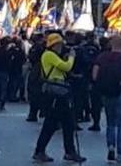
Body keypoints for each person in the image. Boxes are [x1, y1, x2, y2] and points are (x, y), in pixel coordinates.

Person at [33, 33, 86, 163]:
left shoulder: (52, 56)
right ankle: (42, 151)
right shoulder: (49, 55)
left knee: (65, 123)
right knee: (52, 123)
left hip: (59, 92)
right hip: (55, 93)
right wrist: (71, 58)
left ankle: (68, 151)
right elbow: (66, 66)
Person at [92, 36, 121, 164]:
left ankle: (111, 147)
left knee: (110, 123)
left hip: (107, 94)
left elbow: (94, 75)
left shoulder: (101, 57)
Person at [26, 33, 46, 122]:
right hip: (40, 71)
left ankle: (33, 113)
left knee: (34, 93)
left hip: (35, 71)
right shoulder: (43, 48)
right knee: (39, 93)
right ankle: (41, 111)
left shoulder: (34, 47)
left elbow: (30, 57)